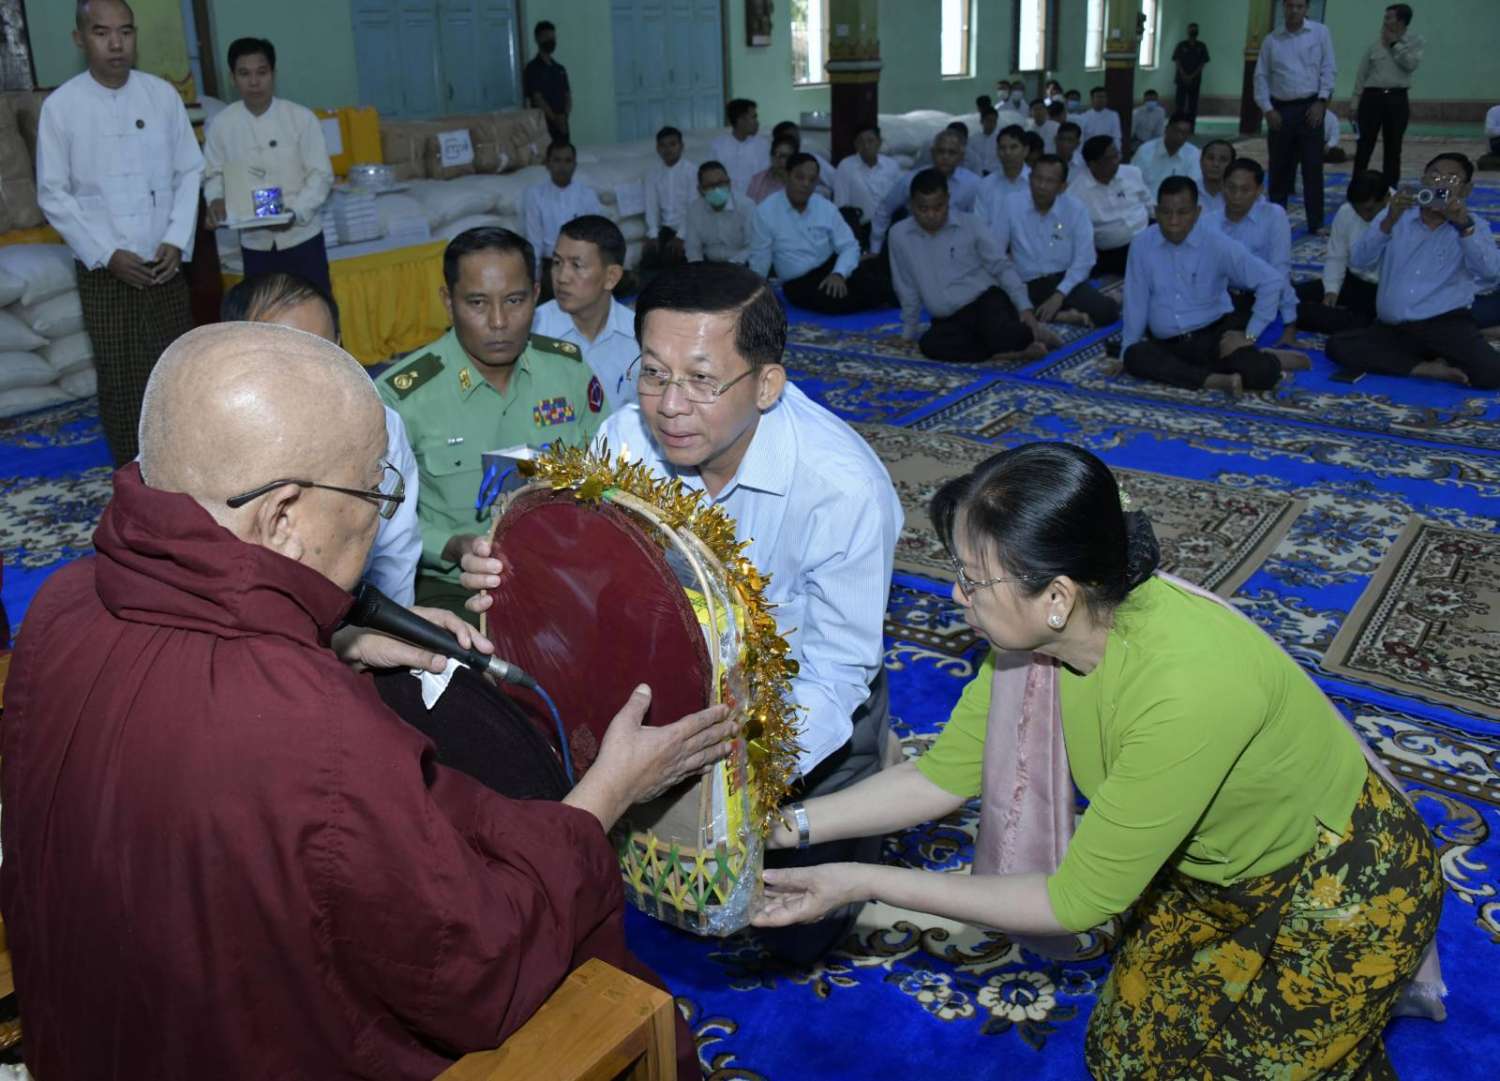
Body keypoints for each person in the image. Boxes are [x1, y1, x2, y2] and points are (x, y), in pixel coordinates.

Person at [0, 320, 737, 1080]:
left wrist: (338, 641)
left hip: (84, 1030)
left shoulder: (59, 604)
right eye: (374, 490)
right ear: (282, 517)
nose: (381, 514)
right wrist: (605, 794)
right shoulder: (316, 728)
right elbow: (479, 965)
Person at [749, 440, 1441, 1079]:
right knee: (1121, 1060)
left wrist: (857, 879)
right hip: (1205, 872)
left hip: (1340, 887)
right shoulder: (1040, 641)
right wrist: (783, 826)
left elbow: (1073, 901)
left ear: (1056, 596)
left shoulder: (1185, 689)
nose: (956, 594)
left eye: (972, 578)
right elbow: (942, 774)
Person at [463, 263, 904, 964]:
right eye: (653, 373)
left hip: (799, 714)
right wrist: (511, 575)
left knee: (793, 933)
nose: (669, 406)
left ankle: (873, 773)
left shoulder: (842, 489)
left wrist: (734, 777)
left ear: (767, 384)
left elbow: (836, 671)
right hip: (667, 679)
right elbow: (591, 583)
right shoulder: (626, 440)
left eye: (702, 380)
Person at [379, 228, 609, 620]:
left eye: (514, 300)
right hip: (455, 585)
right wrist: (452, 545)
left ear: (536, 295)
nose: (499, 321)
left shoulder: (567, 371)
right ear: (448, 302)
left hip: (565, 568)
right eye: (477, 303)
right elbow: (381, 517)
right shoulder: (403, 399)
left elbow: (606, 472)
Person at [37, 0, 203, 466]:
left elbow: (190, 170)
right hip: (105, 271)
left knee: (178, 371)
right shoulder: (61, 107)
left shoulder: (161, 96)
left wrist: (176, 239)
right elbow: (53, 193)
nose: (116, 44)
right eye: (101, 33)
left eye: (126, 32)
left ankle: (188, 467)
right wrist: (106, 253)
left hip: (164, 264)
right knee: (121, 380)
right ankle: (133, 476)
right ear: (80, 39)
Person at [221, 272, 421, 605]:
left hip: (352, 614)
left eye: (324, 353)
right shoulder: (205, 429)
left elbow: (395, 552)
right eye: (285, 357)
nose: (309, 374)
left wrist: (393, 629)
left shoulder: (379, 424)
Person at [1327, 152, 1500, 388]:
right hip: (1395, 327)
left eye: (1451, 179)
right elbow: (1359, 261)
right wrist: (1388, 222)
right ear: (1423, 181)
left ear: (1466, 190)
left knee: (1492, 373)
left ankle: (1414, 359)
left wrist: (1464, 227)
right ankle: (1424, 368)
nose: (1440, 185)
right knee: (1338, 345)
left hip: (1447, 324)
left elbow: (1491, 274)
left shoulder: (1474, 226)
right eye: (1434, 177)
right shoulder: (1395, 216)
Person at [1120, 177, 1296, 395]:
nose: (1173, 221)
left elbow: (1271, 280)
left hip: (1214, 337)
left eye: (1182, 213)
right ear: (1156, 212)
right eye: (1166, 212)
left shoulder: (1217, 243)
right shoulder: (1141, 244)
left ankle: (1268, 358)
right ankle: (1214, 380)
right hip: (1167, 342)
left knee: (1261, 373)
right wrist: (1125, 351)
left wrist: (1249, 336)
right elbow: (1136, 301)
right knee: (1134, 356)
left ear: (1197, 212)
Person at [203, 37, 333, 297]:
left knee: (315, 309)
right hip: (255, 245)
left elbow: (321, 176)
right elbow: (213, 173)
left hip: (302, 238)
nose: (254, 82)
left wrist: (295, 213)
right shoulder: (222, 125)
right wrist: (215, 198)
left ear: (273, 73)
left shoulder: (300, 118)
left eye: (261, 73)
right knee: (264, 313)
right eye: (244, 74)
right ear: (232, 78)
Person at [888, 169, 1050, 364]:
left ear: (948, 200)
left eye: (938, 207)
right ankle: (1012, 350)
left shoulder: (971, 224)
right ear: (911, 205)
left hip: (985, 302)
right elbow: (906, 287)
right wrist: (908, 332)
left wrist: (1024, 307)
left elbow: (1001, 266)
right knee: (930, 345)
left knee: (999, 333)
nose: (931, 215)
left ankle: (1030, 334)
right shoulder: (899, 235)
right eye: (923, 209)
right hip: (948, 318)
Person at [750, 153, 891, 315]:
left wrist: (838, 274)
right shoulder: (765, 212)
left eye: (812, 180)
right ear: (787, 176)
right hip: (798, 282)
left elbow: (849, 245)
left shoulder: (825, 207)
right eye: (800, 177)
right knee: (833, 300)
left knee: (877, 278)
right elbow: (760, 258)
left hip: (831, 267)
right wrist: (755, 294)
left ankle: (877, 295)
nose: (806, 184)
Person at [991, 156, 1121, 330]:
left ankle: (1054, 312)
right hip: (1026, 282)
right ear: (1029, 178)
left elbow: (1085, 259)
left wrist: (1059, 295)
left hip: (1064, 279)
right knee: (999, 314)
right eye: (1037, 178)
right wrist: (1019, 298)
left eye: (1050, 181)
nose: (1041, 186)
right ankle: (1063, 315)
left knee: (1108, 312)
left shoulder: (1076, 209)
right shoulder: (1011, 204)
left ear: (1062, 187)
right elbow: (996, 253)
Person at [532, 215, 639, 412]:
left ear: (611, 277)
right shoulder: (533, 331)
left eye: (577, 265)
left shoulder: (638, 338)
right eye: (557, 262)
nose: (562, 278)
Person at [1254, 0, 1337, 233]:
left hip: (1311, 109)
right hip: (1280, 110)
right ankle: (1276, 223)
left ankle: (1316, 223)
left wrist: (1322, 102)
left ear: (1306, 9)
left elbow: (1328, 68)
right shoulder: (1272, 40)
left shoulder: (1320, 33)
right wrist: (1267, 109)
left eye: (1299, 6)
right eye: (1290, 6)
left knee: (1313, 169)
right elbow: (1260, 77)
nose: (1294, 11)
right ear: (1284, 7)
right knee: (1278, 169)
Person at [1206, 158, 1302, 347]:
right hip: (1224, 297)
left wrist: (1290, 324)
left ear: (1259, 190)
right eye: (1231, 188)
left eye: (1245, 190)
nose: (1236, 196)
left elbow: (1280, 269)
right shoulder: (1208, 223)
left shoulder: (1273, 215)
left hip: (1264, 296)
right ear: (1222, 186)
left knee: (1242, 337)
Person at [1294, 169, 1387, 334]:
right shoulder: (1347, 211)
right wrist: (1331, 289)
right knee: (1289, 296)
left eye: (1369, 210)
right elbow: (1337, 255)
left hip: (1382, 290)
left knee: (1358, 327)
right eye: (1358, 210)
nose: (1364, 216)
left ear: (1387, 199)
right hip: (1352, 281)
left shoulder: (1404, 216)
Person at [871, 130, 982, 254]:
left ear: (961, 156)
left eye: (952, 152)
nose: (945, 157)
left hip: (955, 249)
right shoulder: (912, 179)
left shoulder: (973, 184)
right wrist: (875, 248)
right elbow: (884, 209)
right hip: (914, 246)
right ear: (932, 153)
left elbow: (976, 222)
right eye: (941, 151)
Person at [1352, 4, 1424, 189]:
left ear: (1401, 21)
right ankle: (1357, 187)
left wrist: (1394, 44)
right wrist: (1355, 104)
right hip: (1371, 98)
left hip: (1396, 99)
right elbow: (1362, 75)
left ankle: (1390, 189)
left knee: (1393, 147)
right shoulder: (1375, 45)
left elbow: (1410, 64)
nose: (1384, 21)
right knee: (1364, 145)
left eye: (1389, 18)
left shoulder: (1414, 42)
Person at [522, 141, 604, 296]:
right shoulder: (535, 195)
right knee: (561, 290)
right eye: (557, 160)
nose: (562, 166)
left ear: (575, 165)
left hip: (582, 262)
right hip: (552, 264)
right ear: (547, 164)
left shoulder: (586, 195)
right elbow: (535, 242)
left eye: (568, 161)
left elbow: (597, 237)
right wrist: (534, 280)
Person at [1069, 136, 1152, 276]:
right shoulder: (1076, 193)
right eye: (1110, 158)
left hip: (1148, 238)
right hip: (1113, 254)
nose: (1117, 161)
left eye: (1117, 154)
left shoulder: (1132, 173)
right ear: (1092, 164)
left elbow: (1149, 204)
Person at [831, 123, 902, 247]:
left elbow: (898, 200)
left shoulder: (892, 166)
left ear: (879, 142)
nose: (866, 146)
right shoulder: (846, 166)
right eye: (861, 142)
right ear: (855, 145)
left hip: (889, 227)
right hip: (860, 228)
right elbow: (841, 204)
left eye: (870, 141)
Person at [641, 126, 696, 272]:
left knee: (672, 259)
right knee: (648, 258)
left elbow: (693, 207)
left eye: (672, 144)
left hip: (689, 229)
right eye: (663, 145)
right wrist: (653, 234)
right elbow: (651, 206)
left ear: (681, 146)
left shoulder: (691, 171)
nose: (668, 149)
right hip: (666, 229)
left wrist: (681, 236)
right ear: (657, 148)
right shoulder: (652, 174)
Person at [684, 161, 753, 265]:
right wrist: (697, 269)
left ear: (729, 183)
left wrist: (734, 265)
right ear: (700, 189)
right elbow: (693, 248)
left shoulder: (746, 206)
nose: (717, 189)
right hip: (709, 265)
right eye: (710, 185)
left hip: (740, 264)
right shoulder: (694, 209)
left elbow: (752, 246)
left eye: (721, 183)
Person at [710, 98, 770, 198]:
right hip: (726, 201)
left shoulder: (763, 145)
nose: (757, 122)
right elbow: (713, 179)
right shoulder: (718, 145)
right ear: (741, 120)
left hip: (756, 202)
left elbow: (766, 179)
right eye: (754, 117)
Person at [522, 20, 570, 141]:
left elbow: (567, 96)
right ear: (537, 39)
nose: (551, 41)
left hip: (562, 125)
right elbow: (537, 98)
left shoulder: (560, 68)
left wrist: (564, 116)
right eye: (547, 37)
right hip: (543, 126)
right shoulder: (532, 68)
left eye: (553, 37)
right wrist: (554, 118)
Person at [974, 125, 1032, 225]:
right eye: (1002, 148)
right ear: (997, 151)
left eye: (1013, 147)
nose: (1007, 152)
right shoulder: (986, 185)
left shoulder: (1038, 183)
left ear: (1025, 151)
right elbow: (979, 225)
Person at [771, 120, 835, 197]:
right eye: (790, 137)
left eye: (797, 135)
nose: (796, 140)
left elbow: (835, 180)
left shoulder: (811, 159)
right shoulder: (770, 170)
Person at [1172, 22, 1210, 120]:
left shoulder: (1201, 46)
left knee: (1193, 106)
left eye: (1195, 29)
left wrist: (1192, 76)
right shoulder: (1181, 45)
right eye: (1191, 29)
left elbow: (1203, 63)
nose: (1193, 31)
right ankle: (1178, 125)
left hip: (1195, 80)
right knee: (1179, 104)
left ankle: (1191, 126)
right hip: (1181, 79)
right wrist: (1184, 75)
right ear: (1188, 31)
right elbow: (1177, 61)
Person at [747, 135, 796, 205]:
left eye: (785, 156)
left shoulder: (799, 182)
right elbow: (748, 208)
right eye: (776, 155)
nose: (780, 160)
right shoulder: (757, 180)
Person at [1198, 138, 1237, 216]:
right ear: (1201, 161)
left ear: (1232, 165)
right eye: (1210, 158)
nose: (1215, 164)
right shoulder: (1188, 192)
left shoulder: (1239, 194)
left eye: (1223, 160)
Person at [968, 105, 1001, 176]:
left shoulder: (1000, 140)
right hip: (976, 175)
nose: (991, 124)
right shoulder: (973, 140)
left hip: (995, 175)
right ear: (981, 121)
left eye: (994, 121)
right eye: (989, 120)